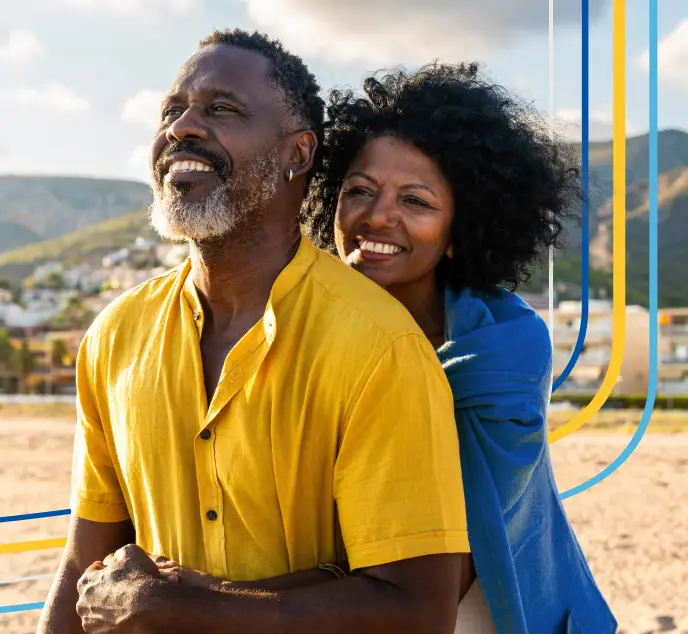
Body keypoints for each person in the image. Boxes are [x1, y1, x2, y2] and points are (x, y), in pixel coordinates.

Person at [153, 64, 618, 633]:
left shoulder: (501, 347)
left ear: (459, 228)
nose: (378, 216)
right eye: (360, 192)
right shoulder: (299, 326)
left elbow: (444, 560)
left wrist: (206, 599)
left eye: (416, 202)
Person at [37, 29, 473, 634]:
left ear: (297, 153)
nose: (182, 127)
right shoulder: (114, 336)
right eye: (172, 110)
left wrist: (181, 610)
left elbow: (418, 611)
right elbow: (85, 566)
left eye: (222, 109)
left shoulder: (380, 347)